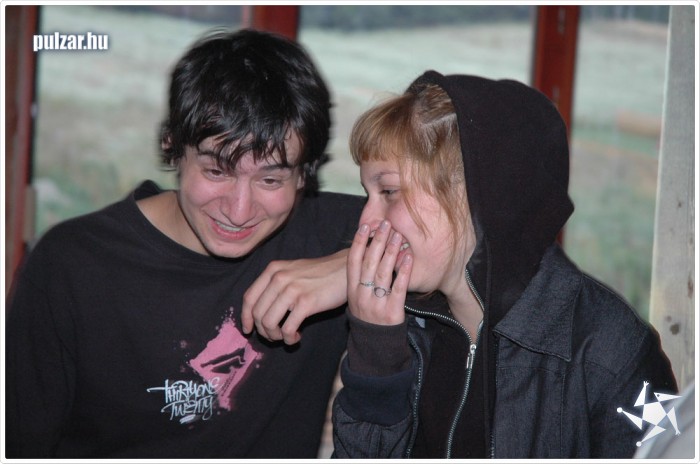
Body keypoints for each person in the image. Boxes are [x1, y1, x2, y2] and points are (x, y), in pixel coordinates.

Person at [5, 28, 364, 458]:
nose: (239, 210)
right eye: (216, 171)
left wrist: (352, 266)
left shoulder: (331, 233)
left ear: (304, 173)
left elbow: (441, 236)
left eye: (270, 180)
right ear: (173, 146)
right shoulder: (72, 264)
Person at [330, 71, 678, 458]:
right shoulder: (404, 327)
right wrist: (377, 360)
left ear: (475, 190)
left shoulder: (610, 348)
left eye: (389, 191)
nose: (366, 220)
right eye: (368, 194)